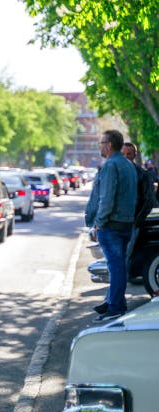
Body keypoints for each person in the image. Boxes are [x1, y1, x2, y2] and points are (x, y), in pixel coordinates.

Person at [85, 130, 137, 321]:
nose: (99, 146)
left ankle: (115, 306)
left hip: (111, 225)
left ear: (109, 144)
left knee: (115, 267)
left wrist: (98, 223)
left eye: (101, 142)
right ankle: (114, 301)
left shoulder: (111, 165)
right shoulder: (128, 164)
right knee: (119, 266)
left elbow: (106, 198)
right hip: (125, 223)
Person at [123, 142, 156, 282]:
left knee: (125, 255)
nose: (125, 157)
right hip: (116, 223)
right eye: (123, 154)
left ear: (134, 155)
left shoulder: (142, 175)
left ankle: (120, 287)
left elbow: (148, 201)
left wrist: (137, 220)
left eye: (129, 154)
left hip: (132, 223)